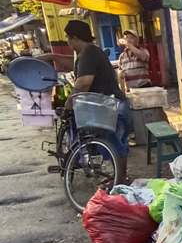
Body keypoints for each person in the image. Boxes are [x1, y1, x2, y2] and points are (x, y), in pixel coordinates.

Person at [40, 20, 130, 180]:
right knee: (114, 143)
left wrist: (69, 103)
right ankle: (119, 179)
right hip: (108, 103)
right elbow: (74, 64)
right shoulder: (88, 53)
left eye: (68, 38)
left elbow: (83, 82)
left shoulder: (89, 53)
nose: (68, 42)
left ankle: (120, 181)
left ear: (74, 38)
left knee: (114, 144)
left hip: (110, 104)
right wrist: (53, 56)